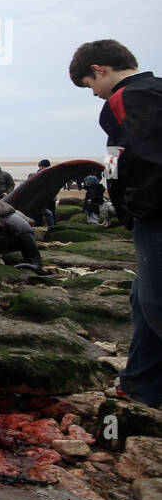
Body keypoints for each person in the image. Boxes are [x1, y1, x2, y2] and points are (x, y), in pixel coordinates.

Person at [70, 39, 162, 407]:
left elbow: (144, 159)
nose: (93, 93)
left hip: (155, 217)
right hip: (151, 215)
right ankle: (141, 384)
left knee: (157, 302)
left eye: (89, 84)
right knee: (142, 299)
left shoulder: (128, 98)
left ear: (100, 69)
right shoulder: (155, 91)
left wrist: (134, 208)